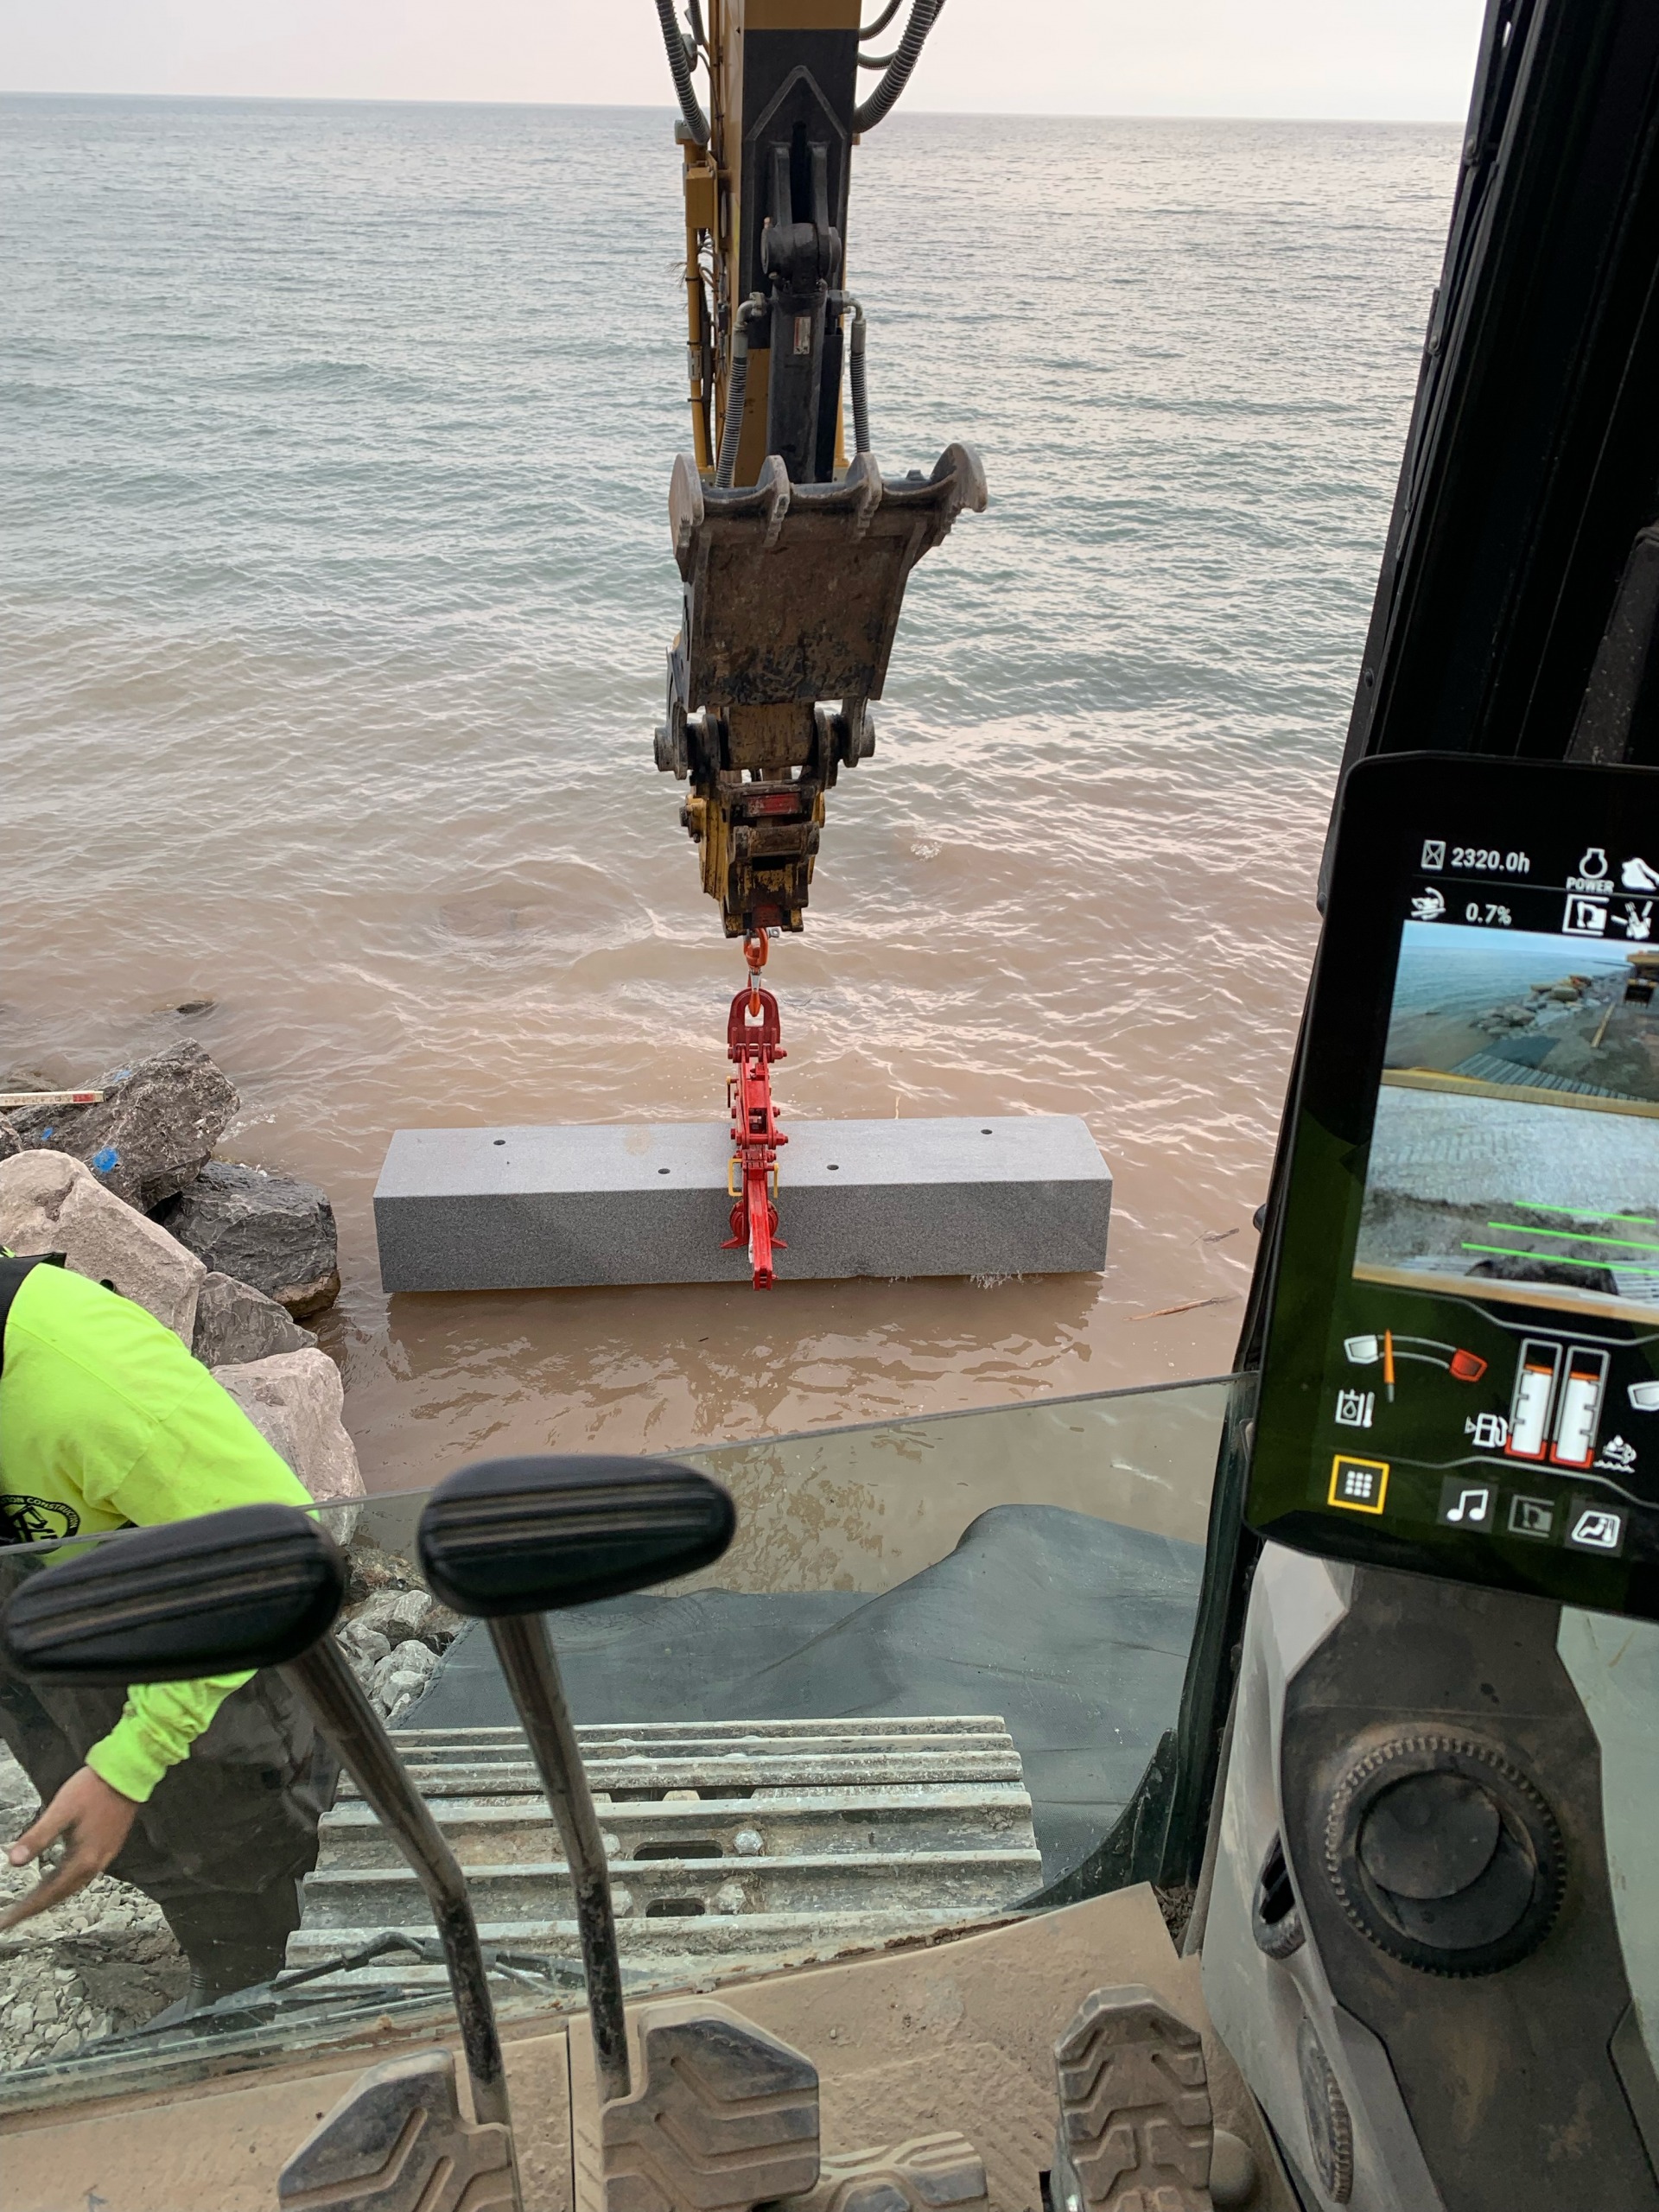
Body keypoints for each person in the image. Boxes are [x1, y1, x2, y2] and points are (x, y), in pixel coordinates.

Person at [0, 1249, 338, 2009]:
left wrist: (132, 1759)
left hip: (197, 1632)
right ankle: (220, 1960)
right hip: (46, 1635)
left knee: (241, 1838)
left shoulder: (87, 1378)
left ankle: (272, 1992)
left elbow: (273, 1561)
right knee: (127, 1838)